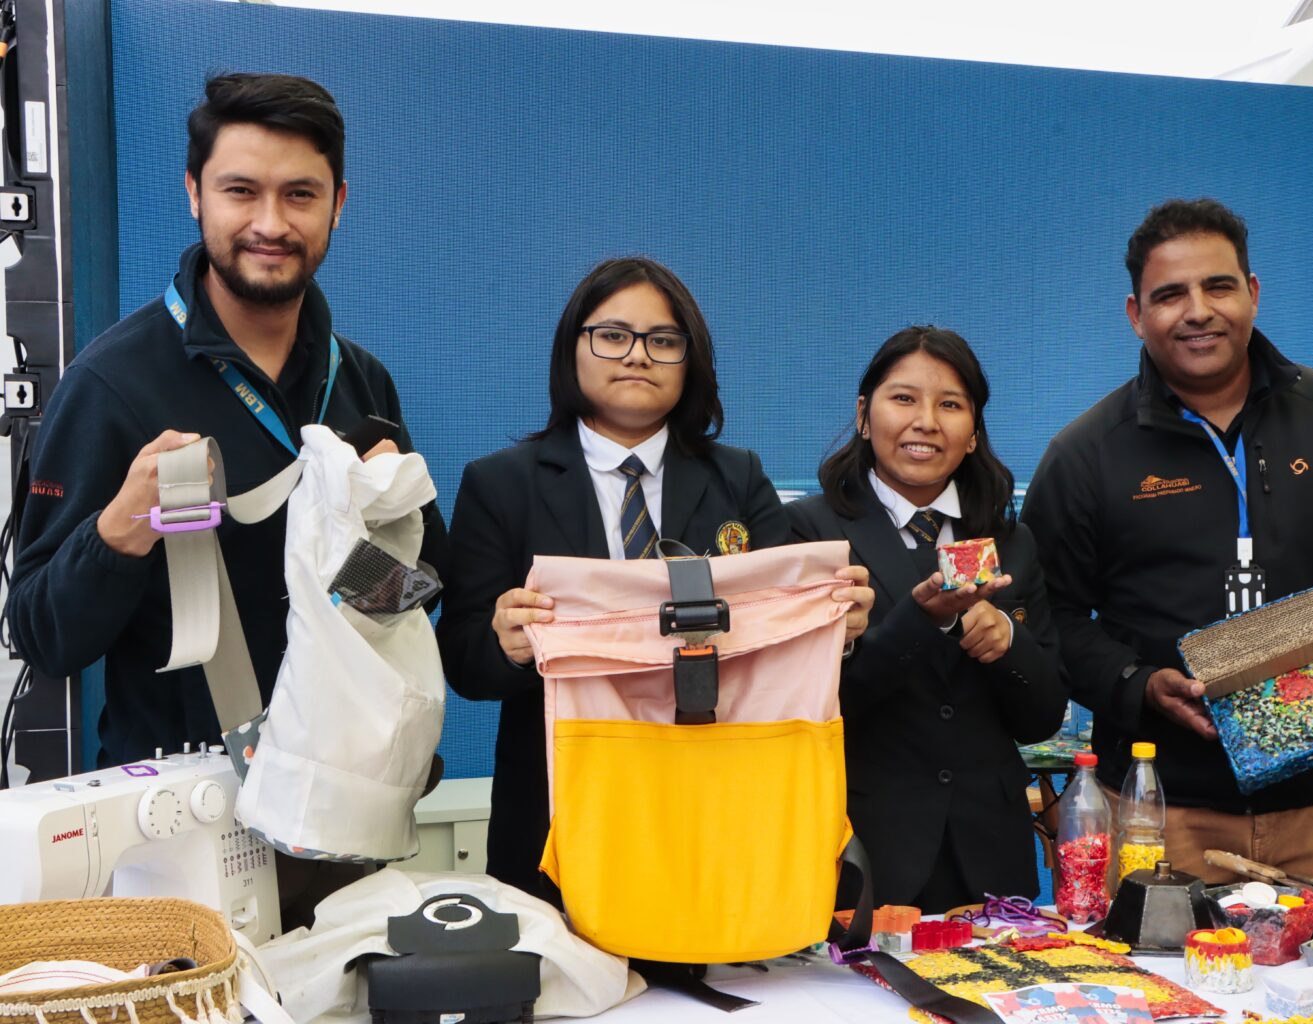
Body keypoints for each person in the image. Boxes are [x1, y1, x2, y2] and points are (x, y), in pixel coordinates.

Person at [7, 72, 445, 769]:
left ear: (338, 205)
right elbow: (41, 637)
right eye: (241, 191)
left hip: (342, 799)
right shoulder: (111, 385)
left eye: (299, 194)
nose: (270, 224)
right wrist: (120, 529)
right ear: (194, 194)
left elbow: (416, 600)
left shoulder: (360, 382)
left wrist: (371, 534)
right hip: (181, 814)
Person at [1021, 198, 1313, 886]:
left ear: (1252, 294)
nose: (1198, 310)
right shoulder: (1085, 454)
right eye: (1170, 295)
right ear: (1136, 315)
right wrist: (1138, 684)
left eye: (1218, 286)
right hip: (1157, 811)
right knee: (1154, 995)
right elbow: (1050, 615)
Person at [436, 255, 874, 900]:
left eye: (663, 341)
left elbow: (777, 629)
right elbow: (462, 659)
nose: (637, 355)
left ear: (689, 362)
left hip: (717, 794)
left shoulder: (738, 477)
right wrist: (503, 643)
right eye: (613, 335)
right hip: (563, 802)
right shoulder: (501, 483)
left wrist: (836, 629)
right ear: (573, 348)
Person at [788, 325, 1066, 912]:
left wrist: (1008, 642)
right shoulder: (809, 534)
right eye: (904, 398)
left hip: (990, 852)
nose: (926, 422)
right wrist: (922, 620)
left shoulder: (1011, 541)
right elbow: (812, 705)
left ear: (972, 433)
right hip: (861, 844)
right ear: (864, 415)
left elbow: (1042, 718)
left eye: (950, 405)